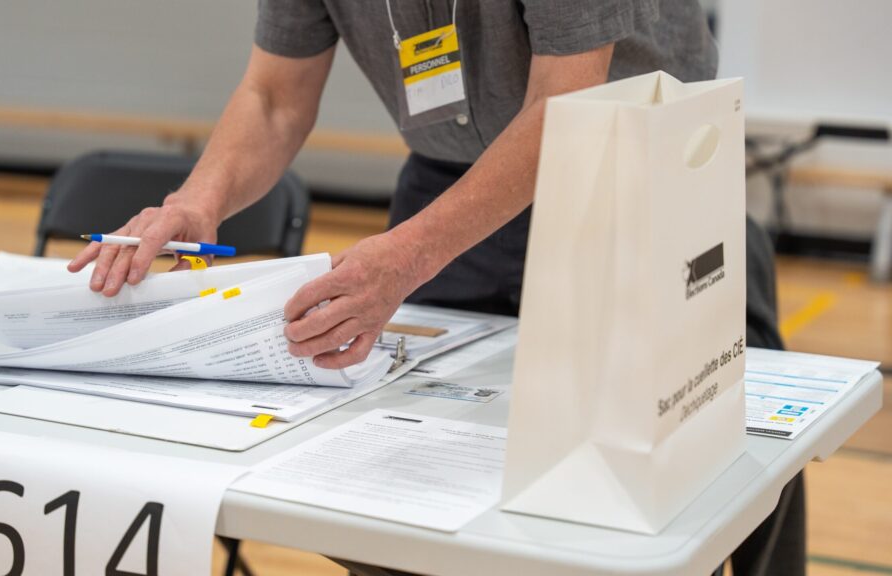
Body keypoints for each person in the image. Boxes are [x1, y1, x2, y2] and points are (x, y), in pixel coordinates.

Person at [69, 1, 803, 574]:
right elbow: (272, 95)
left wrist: (407, 256)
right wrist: (198, 201)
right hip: (454, 181)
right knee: (401, 447)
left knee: (728, 450)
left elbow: (565, 107)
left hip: (639, 168)